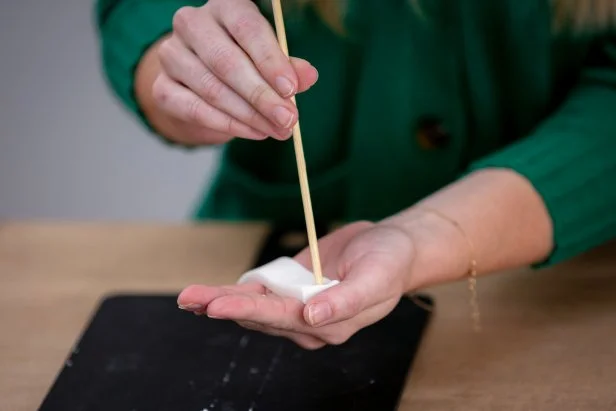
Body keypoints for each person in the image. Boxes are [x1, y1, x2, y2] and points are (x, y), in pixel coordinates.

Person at [95, 0, 616, 349]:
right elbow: (143, 11)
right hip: (252, 244)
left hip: (552, 298)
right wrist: (186, 73)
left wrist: (425, 236)